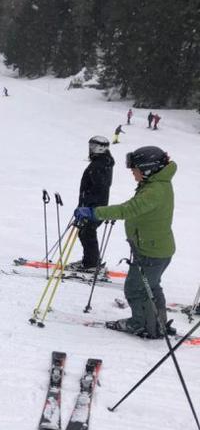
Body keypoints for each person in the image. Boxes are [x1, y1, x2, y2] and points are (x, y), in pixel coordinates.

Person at [74, 146, 176, 338]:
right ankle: (156, 323)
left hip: (151, 251)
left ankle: (142, 324)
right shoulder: (156, 184)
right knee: (151, 287)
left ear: (148, 168)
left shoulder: (154, 190)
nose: (132, 173)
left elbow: (127, 210)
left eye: (134, 169)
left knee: (136, 288)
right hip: (155, 248)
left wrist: (94, 212)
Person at [67, 136, 114, 273]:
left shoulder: (99, 165)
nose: (90, 148)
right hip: (94, 205)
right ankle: (90, 261)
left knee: (87, 232)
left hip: (94, 207)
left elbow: (99, 188)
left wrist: (87, 207)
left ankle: (91, 264)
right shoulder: (102, 162)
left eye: (92, 146)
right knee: (86, 232)